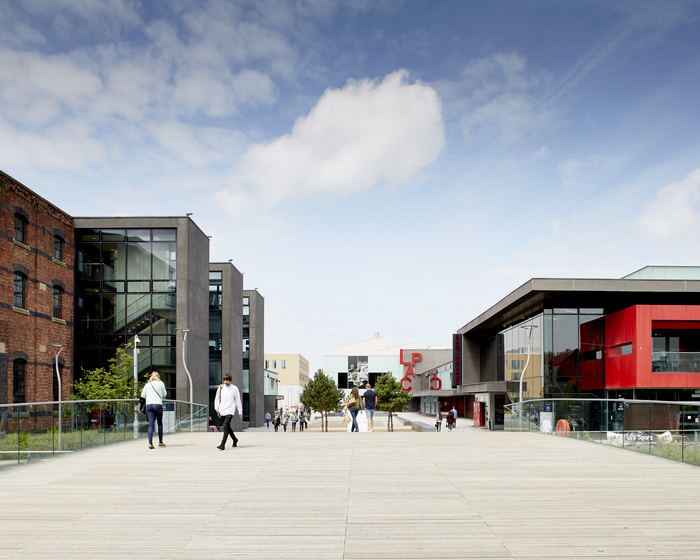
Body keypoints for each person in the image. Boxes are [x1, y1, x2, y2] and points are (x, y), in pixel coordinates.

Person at [214, 373, 242, 450]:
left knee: (225, 426)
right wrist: (217, 409)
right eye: (225, 380)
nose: (226, 382)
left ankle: (222, 444)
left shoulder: (234, 388)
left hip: (230, 410)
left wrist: (240, 411)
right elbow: (217, 399)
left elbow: (237, 400)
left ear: (230, 380)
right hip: (222, 410)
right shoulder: (220, 388)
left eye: (227, 380)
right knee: (227, 427)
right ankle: (235, 439)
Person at [141, 371, 167, 449]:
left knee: (151, 425)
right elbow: (165, 394)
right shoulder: (161, 384)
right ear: (158, 376)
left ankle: (150, 443)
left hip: (149, 405)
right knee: (159, 423)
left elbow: (142, 395)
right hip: (158, 405)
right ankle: (160, 442)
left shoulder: (147, 384)